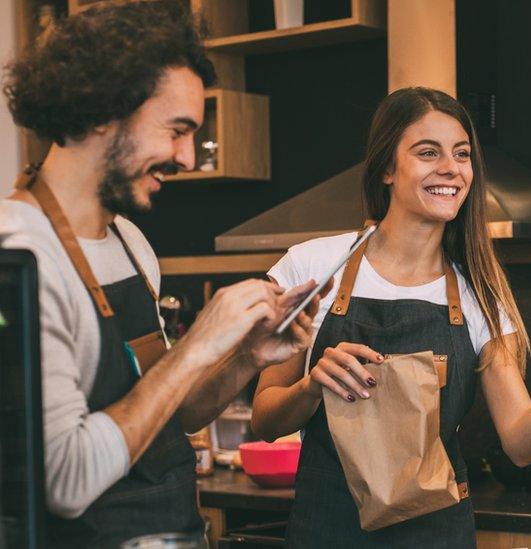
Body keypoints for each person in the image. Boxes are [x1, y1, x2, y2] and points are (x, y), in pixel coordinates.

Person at [0, 2, 324, 546]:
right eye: (177, 130)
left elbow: (166, 414)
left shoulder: (131, 243)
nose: (188, 157)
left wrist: (246, 357)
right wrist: (197, 345)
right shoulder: (19, 254)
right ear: (104, 110)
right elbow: (67, 480)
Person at [251, 87, 531, 547]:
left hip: (435, 534)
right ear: (387, 168)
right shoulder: (312, 267)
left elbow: (521, 443)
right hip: (327, 528)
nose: (451, 168)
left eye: (462, 154)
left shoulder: (480, 294)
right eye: (428, 152)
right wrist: (312, 385)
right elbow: (265, 421)